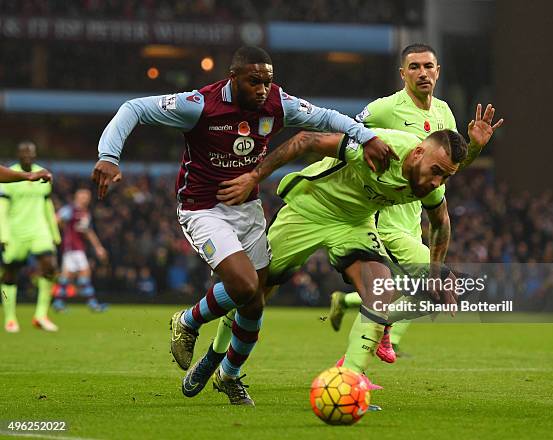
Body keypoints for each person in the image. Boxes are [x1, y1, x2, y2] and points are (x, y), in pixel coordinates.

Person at [92, 46, 396, 406]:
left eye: (268, 81)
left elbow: (329, 118)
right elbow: (134, 108)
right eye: (255, 81)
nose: (263, 89)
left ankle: (229, 376)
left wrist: (367, 137)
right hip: (203, 209)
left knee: (254, 305)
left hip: (247, 210)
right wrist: (109, 156)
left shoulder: (278, 104)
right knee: (246, 286)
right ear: (233, 78)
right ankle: (188, 321)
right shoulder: (199, 104)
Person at [183, 126, 473, 400]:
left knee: (380, 293)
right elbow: (305, 140)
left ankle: (348, 384)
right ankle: (215, 356)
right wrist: (254, 177)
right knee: (252, 293)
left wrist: (435, 271)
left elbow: (441, 223)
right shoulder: (381, 150)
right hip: (310, 209)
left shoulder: (432, 185)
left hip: (354, 224)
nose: (437, 182)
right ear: (418, 153)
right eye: (436, 172)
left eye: (445, 177)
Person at [328, 43, 504, 363]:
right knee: (436, 285)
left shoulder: (444, 113)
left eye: (428, 66)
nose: (422, 73)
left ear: (438, 71)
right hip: (382, 213)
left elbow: (449, 168)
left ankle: (362, 350)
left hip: (414, 218)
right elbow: (347, 137)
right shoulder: (385, 109)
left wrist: (475, 148)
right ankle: (361, 357)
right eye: (414, 67)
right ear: (402, 74)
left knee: (405, 290)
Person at [0, 141, 60, 333]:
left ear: (35, 155)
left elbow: (47, 206)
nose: (27, 155)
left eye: (30, 153)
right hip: (16, 231)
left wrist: (54, 233)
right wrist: (3, 234)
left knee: (50, 266)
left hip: (39, 229)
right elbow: (2, 207)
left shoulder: (43, 174)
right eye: (23, 152)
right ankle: (10, 318)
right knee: (10, 273)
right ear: (17, 154)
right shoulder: (9, 175)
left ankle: (41, 316)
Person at [52, 188, 108, 312]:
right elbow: (55, 219)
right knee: (84, 272)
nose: (86, 199)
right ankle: (92, 303)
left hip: (78, 247)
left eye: (88, 197)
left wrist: (98, 247)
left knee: (67, 276)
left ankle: (58, 302)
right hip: (72, 247)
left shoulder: (85, 212)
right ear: (77, 197)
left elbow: (88, 231)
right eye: (84, 196)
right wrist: (58, 231)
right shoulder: (70, 209)